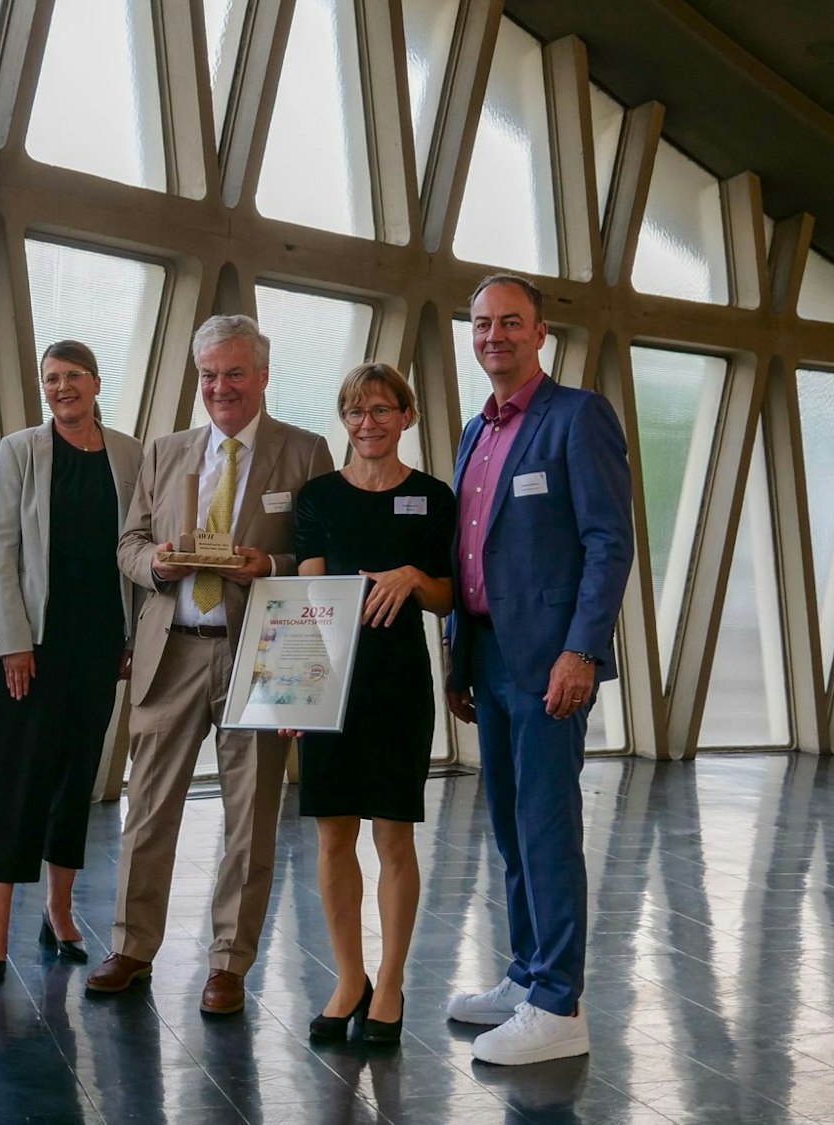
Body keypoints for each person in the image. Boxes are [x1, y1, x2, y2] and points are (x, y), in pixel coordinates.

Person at [86, 314, 333, 1016]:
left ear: (261, 374)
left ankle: (229, 961)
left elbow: (321, 558)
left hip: (259, 654)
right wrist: (155, 562)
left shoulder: (306, 451)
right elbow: (128, 542)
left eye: (232, 372)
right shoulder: (164, 453)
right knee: (148, 809)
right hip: (172, 651)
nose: (219, 386)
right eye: (208, 375)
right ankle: (133, 945)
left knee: (253, 817)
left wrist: (272, 564)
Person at [444, 275, 633, 1066]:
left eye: (510, 323)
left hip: (550, 661)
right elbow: (464, 550)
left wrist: (581, 650)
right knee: (512, 828)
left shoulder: (575, 416)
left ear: (541, 332)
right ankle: (526, 973)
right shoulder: (474, 431)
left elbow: (608, 541)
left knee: (548, 827)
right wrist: (458, 650)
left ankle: (560, 1002)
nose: (495, 335)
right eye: (483, 323)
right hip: (487, 653)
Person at [287, 363, 455, 1044]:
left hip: (397, 682)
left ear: (407, 416)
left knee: (392, 834)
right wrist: (295, 687)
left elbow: (450, 597)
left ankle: (390, 983)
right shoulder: (318, 495)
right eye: (356, 411)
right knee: (332, 834)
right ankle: (349, 976)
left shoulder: (432, 497)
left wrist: (414, 576)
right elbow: (306, 600)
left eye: (382, 410)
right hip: (332, 679)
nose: (368, 424)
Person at [0, 341, 141, 986]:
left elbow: (136, 542)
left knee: (76, 778)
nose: (62, 388)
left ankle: (61, 910)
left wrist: (129, 634)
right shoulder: (21, 450)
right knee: (19, 778)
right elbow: (4, 551)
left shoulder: (129, 453)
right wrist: (13, 641)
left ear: (96, 383)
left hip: (100, 640)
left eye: (73, 377)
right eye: (51, 379)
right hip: (35, 643)